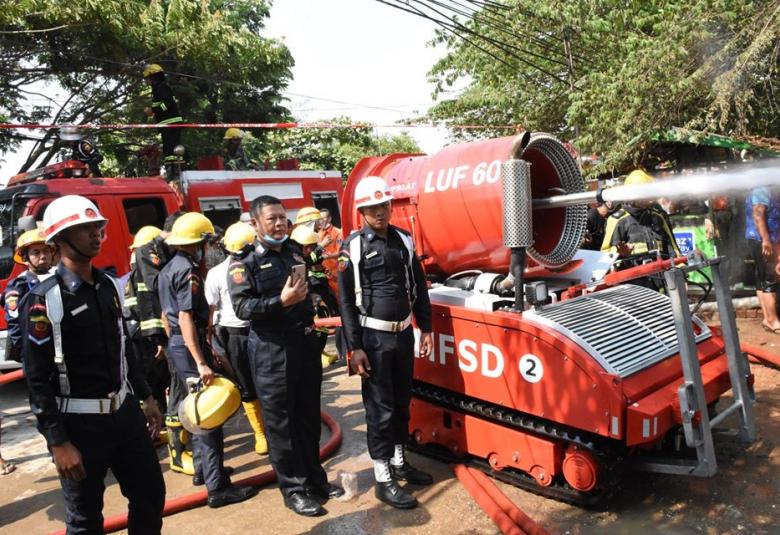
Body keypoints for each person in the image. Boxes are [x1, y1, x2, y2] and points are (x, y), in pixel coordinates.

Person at [22, 195, 165, 533]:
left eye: (97, 227)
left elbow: (124, 348)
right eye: (84, 228)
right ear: (59, 239)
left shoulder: (108, 286)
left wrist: (146, 397)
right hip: (79, 427)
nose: (95, 234)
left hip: (125, 415)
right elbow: (36, 377)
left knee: (150, 496)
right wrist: (58, 442)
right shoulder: (45, 299)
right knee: (85, 519)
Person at [229, 195, 344, 517]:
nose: (280, 223)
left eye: (282, 217)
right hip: (272, 351)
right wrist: (280, 301)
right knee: (282, 425)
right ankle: (294, 490)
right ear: (255, 223)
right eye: (272, 219)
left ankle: (316, 481)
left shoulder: (294, 251)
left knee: (308, 418)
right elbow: (242, 308)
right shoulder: (244, 262)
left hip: (304, 346)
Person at [337, 176, 434, 510]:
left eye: (384, 205)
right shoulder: (352, 247)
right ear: (362, 212)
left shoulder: (404, 240)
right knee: (380, 409)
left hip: (403, 334)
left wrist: (426, 328)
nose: (379, 212)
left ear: (391, 206)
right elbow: (345, 302)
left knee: (402, 401)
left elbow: (418, 286)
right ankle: (382, 478)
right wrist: (355, 348)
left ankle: (399, 462)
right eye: (372, 207)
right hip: (373, 339)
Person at [158, 212, 257, 507]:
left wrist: (180, 348)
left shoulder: (168, 268)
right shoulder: (188, 272)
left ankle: (204, 471)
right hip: (190, 346)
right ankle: (218, 488)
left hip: (179, 345)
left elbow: (166, 318)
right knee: (208, 413)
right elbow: (185, 317)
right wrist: (200, 360)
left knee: (196, 407)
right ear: (199, 242)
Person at [135, 212, 195, 475]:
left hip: (170, 334)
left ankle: (183, 448)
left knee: (176, 390)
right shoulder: (150, 253)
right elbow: (157, 297)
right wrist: (160, 339)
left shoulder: (161, 252)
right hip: (165, 336)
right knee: (177, 392)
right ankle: (178, 455)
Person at [205, 222, 268, 455]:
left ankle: (273, 427)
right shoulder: (216, 274)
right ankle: (260, 433)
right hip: (235, 334)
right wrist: (211, 342)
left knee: (271, 379)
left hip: (263, 329)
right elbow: (211, 310)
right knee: (246, 383)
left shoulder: (264, 265)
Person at [601, 169, 681, 290]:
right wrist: (619, 253)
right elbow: (605, 256)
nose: (651, 198)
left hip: (662, 284)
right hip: (634, 289)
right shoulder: (617, 220)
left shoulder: (658, 217)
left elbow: (672, 249)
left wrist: (681, 274)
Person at [124, 226, 171, 422]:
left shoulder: (134, 275)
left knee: (154, 384)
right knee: (155, 382)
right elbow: (145, 307)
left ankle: (159, 422)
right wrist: (158, 339)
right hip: (145, 338)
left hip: (140, 335)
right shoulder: (141, 275)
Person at [2, 229, 55, 363]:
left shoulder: (61, 278)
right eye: (36, 253)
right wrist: (28, 355)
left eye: (46, 251)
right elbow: (14, 324)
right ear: (25, 259)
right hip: (37, 356)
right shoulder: (19, 286)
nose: (43, 256)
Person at [290, 225, 333, 363]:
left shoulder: (302, 260)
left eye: (312, 247)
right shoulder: (291, 262)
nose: (310, 250)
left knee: (322, 326)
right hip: (300, 310)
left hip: (313, 297)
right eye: (307, 247)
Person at [745, 186, 780, 333]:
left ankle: (767, 319)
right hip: (763, 240)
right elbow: (758, 215)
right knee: (770, 277)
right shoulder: (762, 190)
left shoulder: (767, 190)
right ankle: (772, 320)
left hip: (763, 239)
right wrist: (766, 239)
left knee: (762, 277)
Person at [143, 64, 184, 177]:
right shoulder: (159, 88)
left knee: (170, 148)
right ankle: (174, 170)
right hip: (168, 123)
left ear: (153, 77)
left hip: (171, 123)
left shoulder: (162, 87)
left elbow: (168, 103)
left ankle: (174, 171)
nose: (146, 81)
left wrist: (153, 110)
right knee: (170, 148)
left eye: (147, 78)